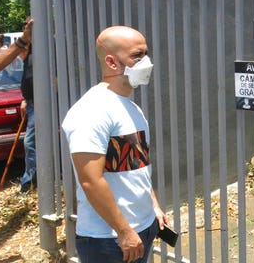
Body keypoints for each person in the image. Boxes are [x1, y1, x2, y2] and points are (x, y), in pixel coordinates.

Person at [61, 26, 167, 263]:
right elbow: (90, 180)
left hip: (141, 229)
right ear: (111, 61)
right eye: (137, 56)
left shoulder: (131, 107)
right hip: (108, 239)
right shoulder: (91, 111)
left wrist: (153, 208)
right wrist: (124, 231)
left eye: (146, 54)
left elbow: (136, 164)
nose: (146, 62)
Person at [19, 17, 37, 193]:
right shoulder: (29, 50)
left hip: (44, 104)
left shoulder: (50, 48)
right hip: (31, 103)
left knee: (30, 142)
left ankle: (30, 183)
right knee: (31, 143)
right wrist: (24, 99)